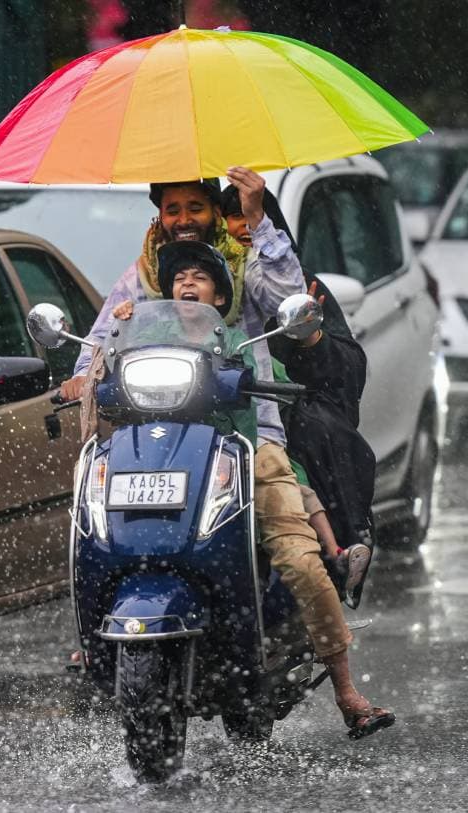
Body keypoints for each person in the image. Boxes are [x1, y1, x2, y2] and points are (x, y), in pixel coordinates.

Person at [64, 170, 393, 738]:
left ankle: (345, 688)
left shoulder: (243, 270)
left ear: (214, 215)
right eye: (173, 209)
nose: (184, 218)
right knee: (94, 529)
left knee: (298, 556)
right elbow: (97, 345)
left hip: (247, 440)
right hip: (157, 440)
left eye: (196, 206)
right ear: (159, 216)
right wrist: (80, 375)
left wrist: (259, 215)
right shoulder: (141, 281)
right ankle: (93, 643)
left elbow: (289, 295)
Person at [221, 184, 377, 607]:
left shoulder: (296, 282)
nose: (244, 226)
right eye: (233, 216)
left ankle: (338, 553)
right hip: (212, 410)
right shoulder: (200, 282)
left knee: (315, 429)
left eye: (254, 214)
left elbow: (347, 372)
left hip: (283, 410)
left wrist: (311, 338)